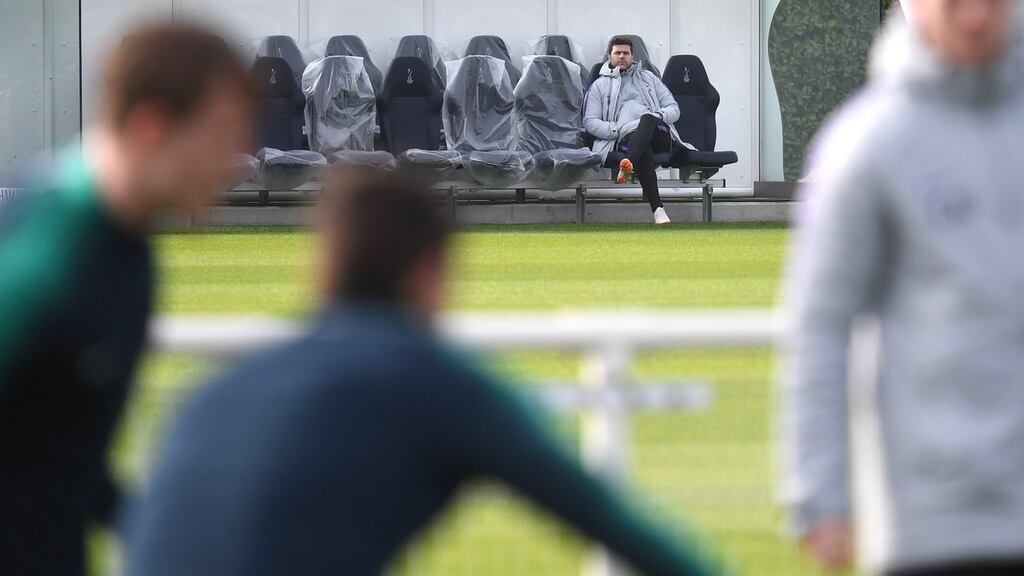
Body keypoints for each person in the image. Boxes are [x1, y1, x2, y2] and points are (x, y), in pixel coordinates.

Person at [126, 167, 724, 576]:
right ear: (428, 273)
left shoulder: (216, 385)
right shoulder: (433, 382)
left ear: (322, 270)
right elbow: (605, 520)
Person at [781, 1, 1024, 575]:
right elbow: (820, 326)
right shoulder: (871, 142)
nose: (975, 18)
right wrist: (821, 496)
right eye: (955, 3)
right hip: (931, 522)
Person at [0, 22, 252, 576]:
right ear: (152, 127)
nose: (236, 160)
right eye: (223, 133)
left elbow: (61, 461)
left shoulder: (130, 255)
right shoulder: (45, 251)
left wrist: (157, 530)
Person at [584, 35, 693, 226]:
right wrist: (617, 129)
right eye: (617, 53)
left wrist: (657, 116)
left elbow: (673, 108)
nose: (622, 56)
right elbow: (590, 121)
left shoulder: (649, 79)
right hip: (626, 137)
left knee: (647, 119)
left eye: (626, 53)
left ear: (632, 56)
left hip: (659, 133)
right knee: (643, 149)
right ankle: (658, 210)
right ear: (609, 56)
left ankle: (628, 163)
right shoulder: (599, 86)